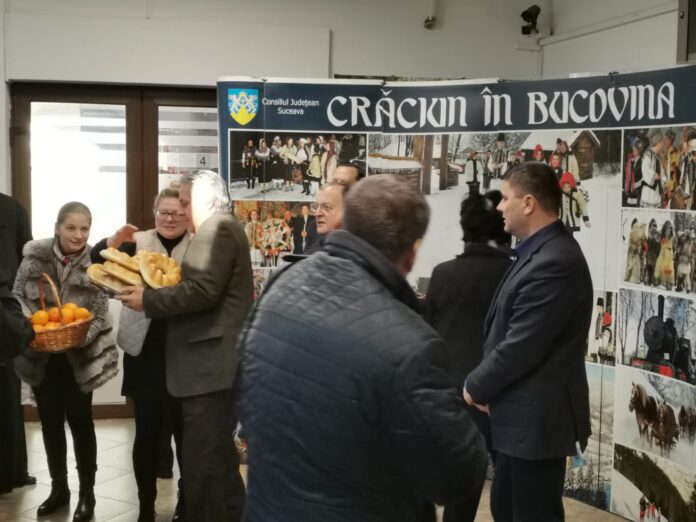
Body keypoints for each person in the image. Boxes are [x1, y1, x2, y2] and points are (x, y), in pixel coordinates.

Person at [239, 175, 487, 522]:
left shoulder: (281, 284)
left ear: (346, 223)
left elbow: (243, 391)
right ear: (413, 252)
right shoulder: (411, 345)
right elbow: (456, 475)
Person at [118, 170, 252, 522]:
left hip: (208, 367)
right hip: (211, 366)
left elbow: (202, 291)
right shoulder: (223, 227)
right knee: (218, 460)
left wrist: (149, 299)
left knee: (202, 467)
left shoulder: (216, 229)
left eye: (187, 203)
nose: (181, 211)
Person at [464, 162, 592, 522]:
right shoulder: (538, 252)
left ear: (529, 203)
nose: (499, 206)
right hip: (520, 424)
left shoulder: (556, 261)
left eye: (506, 198)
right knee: (507, 509)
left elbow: (521, 346)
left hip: (535, 428)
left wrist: (475, 386)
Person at [13, 202, 119, 522]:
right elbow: (17, 296)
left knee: (81, 422)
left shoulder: (96, 262)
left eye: (84, 228)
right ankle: (59, 489)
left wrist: (79, 335)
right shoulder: (34, 257)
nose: (78, 235)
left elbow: (100, 311)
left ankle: (87, 493)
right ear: (58, 227)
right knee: (50, 423)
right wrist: (32, 325)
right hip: (42, 356)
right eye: (71, 227)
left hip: (79, 357)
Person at [91, 186, 191, 522]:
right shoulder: (138, 242)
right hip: (143, 352)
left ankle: (185, 502)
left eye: (177, 212)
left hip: (184, 352)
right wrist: (113, 240)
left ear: (188, 215)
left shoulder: (199, 244)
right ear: (154, 213)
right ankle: (145, 505)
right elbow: (97, 263)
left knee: (184, 436)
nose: (170, 219)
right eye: (164, 212)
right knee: (146, 434)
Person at [425, 190, 512, 522]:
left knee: (461, 501)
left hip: (454, 398)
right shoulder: (513, 275)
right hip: (503, 398)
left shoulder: (443, 274)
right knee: (510, 498)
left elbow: (429, 337)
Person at [0, 192, 35, 496]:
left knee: (7, 394)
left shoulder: (11, 208)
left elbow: (25, 261)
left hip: (4, 313)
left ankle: (12, 470)